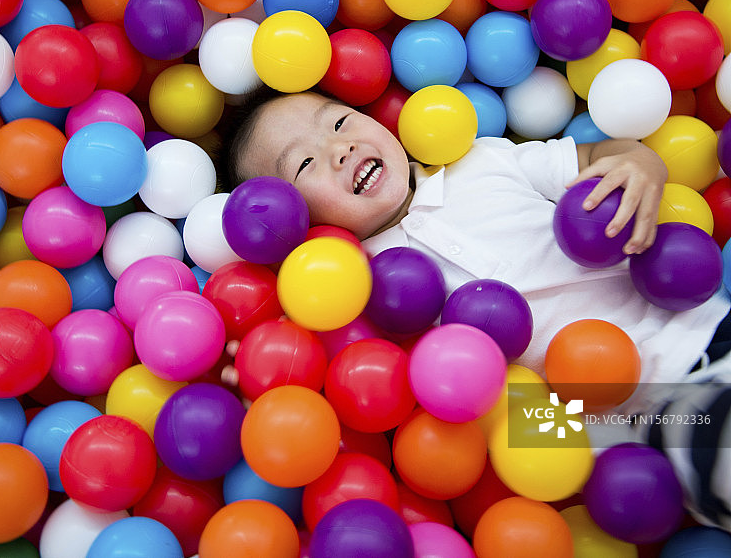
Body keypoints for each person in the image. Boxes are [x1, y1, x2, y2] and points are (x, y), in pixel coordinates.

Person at [218, 87, 731, 530]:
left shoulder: (482, 160)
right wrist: (268, 376)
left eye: (338, 122)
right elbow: (338, 380)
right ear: (290, 219)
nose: (339, 148)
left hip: (701, 325)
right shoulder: (350, 290)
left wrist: (639, 164)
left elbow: (600, 155)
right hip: (628, 429)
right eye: (304, 164)